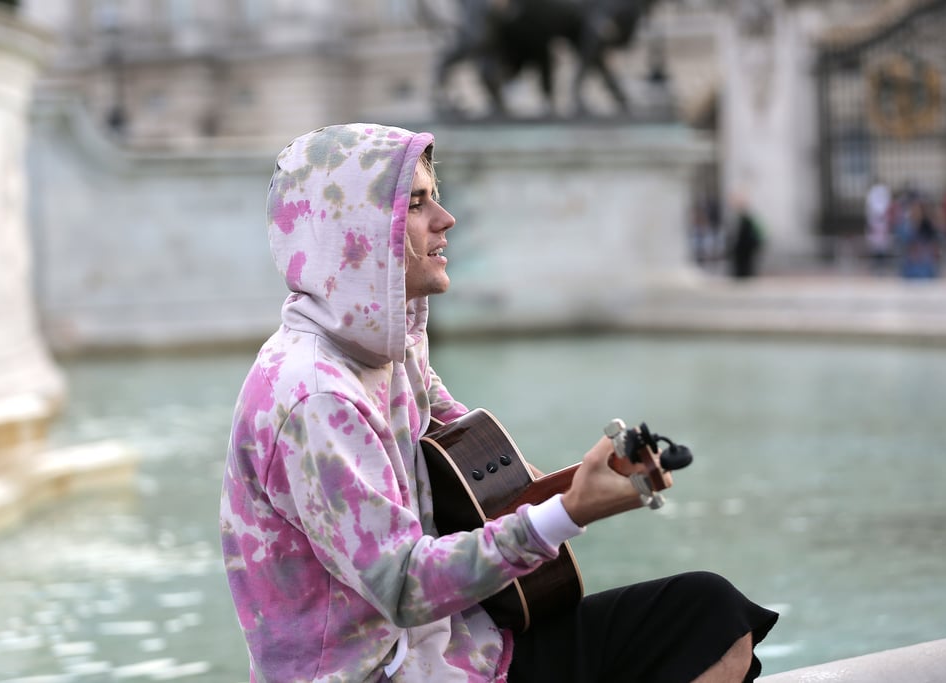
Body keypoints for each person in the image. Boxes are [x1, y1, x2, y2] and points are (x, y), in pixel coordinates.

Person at [220, 123, 778, 682]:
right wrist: (568, 512)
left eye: (433, 196)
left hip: (461, 649)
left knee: (712, 618)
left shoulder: (388, 347)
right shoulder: (314, 396)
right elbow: (405, 585)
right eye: (416, 204)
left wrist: (589, 478)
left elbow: (473, 452)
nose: (445, 219)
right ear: (354, 232)